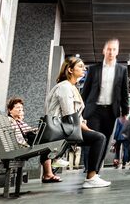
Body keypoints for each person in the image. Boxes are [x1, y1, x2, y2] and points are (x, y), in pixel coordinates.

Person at [45, 56, 111, 188]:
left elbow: (76, 117)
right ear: (70, 69)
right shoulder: (64, 87)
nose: (84, 68)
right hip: (61, 130)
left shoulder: (72, 87)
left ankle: (92, 176)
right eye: (80, 66)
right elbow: (69, 114)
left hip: (65, 128)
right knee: (99, 138)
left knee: (97, 136)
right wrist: (86, 129)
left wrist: (85, 127)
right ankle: (91, 177)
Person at [81, 39, 129, 173]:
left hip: (110, 111)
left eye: (114, 49)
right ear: (104, 51)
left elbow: (124, 92)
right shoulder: (93, 69)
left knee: (105, 141)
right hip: (94, 110)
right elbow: (85, 90)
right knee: (93, 139)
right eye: (109, 49)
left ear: (117, 51)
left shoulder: (122, 70)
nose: (111, 52)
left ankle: (95, 170)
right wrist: (80, 110)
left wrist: (125, 111)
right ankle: (89, 170)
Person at [6, 97, 62, 183]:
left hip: (26, 141)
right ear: (10, 110)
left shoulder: (19, 121)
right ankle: (53, 163)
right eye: (17, 108)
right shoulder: (10, 120)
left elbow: (29, 130)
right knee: (47, 142)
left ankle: (51, 167)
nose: (20, 110)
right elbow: (18, 136)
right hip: (21, 145)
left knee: (47, 140)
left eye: (21, 108)